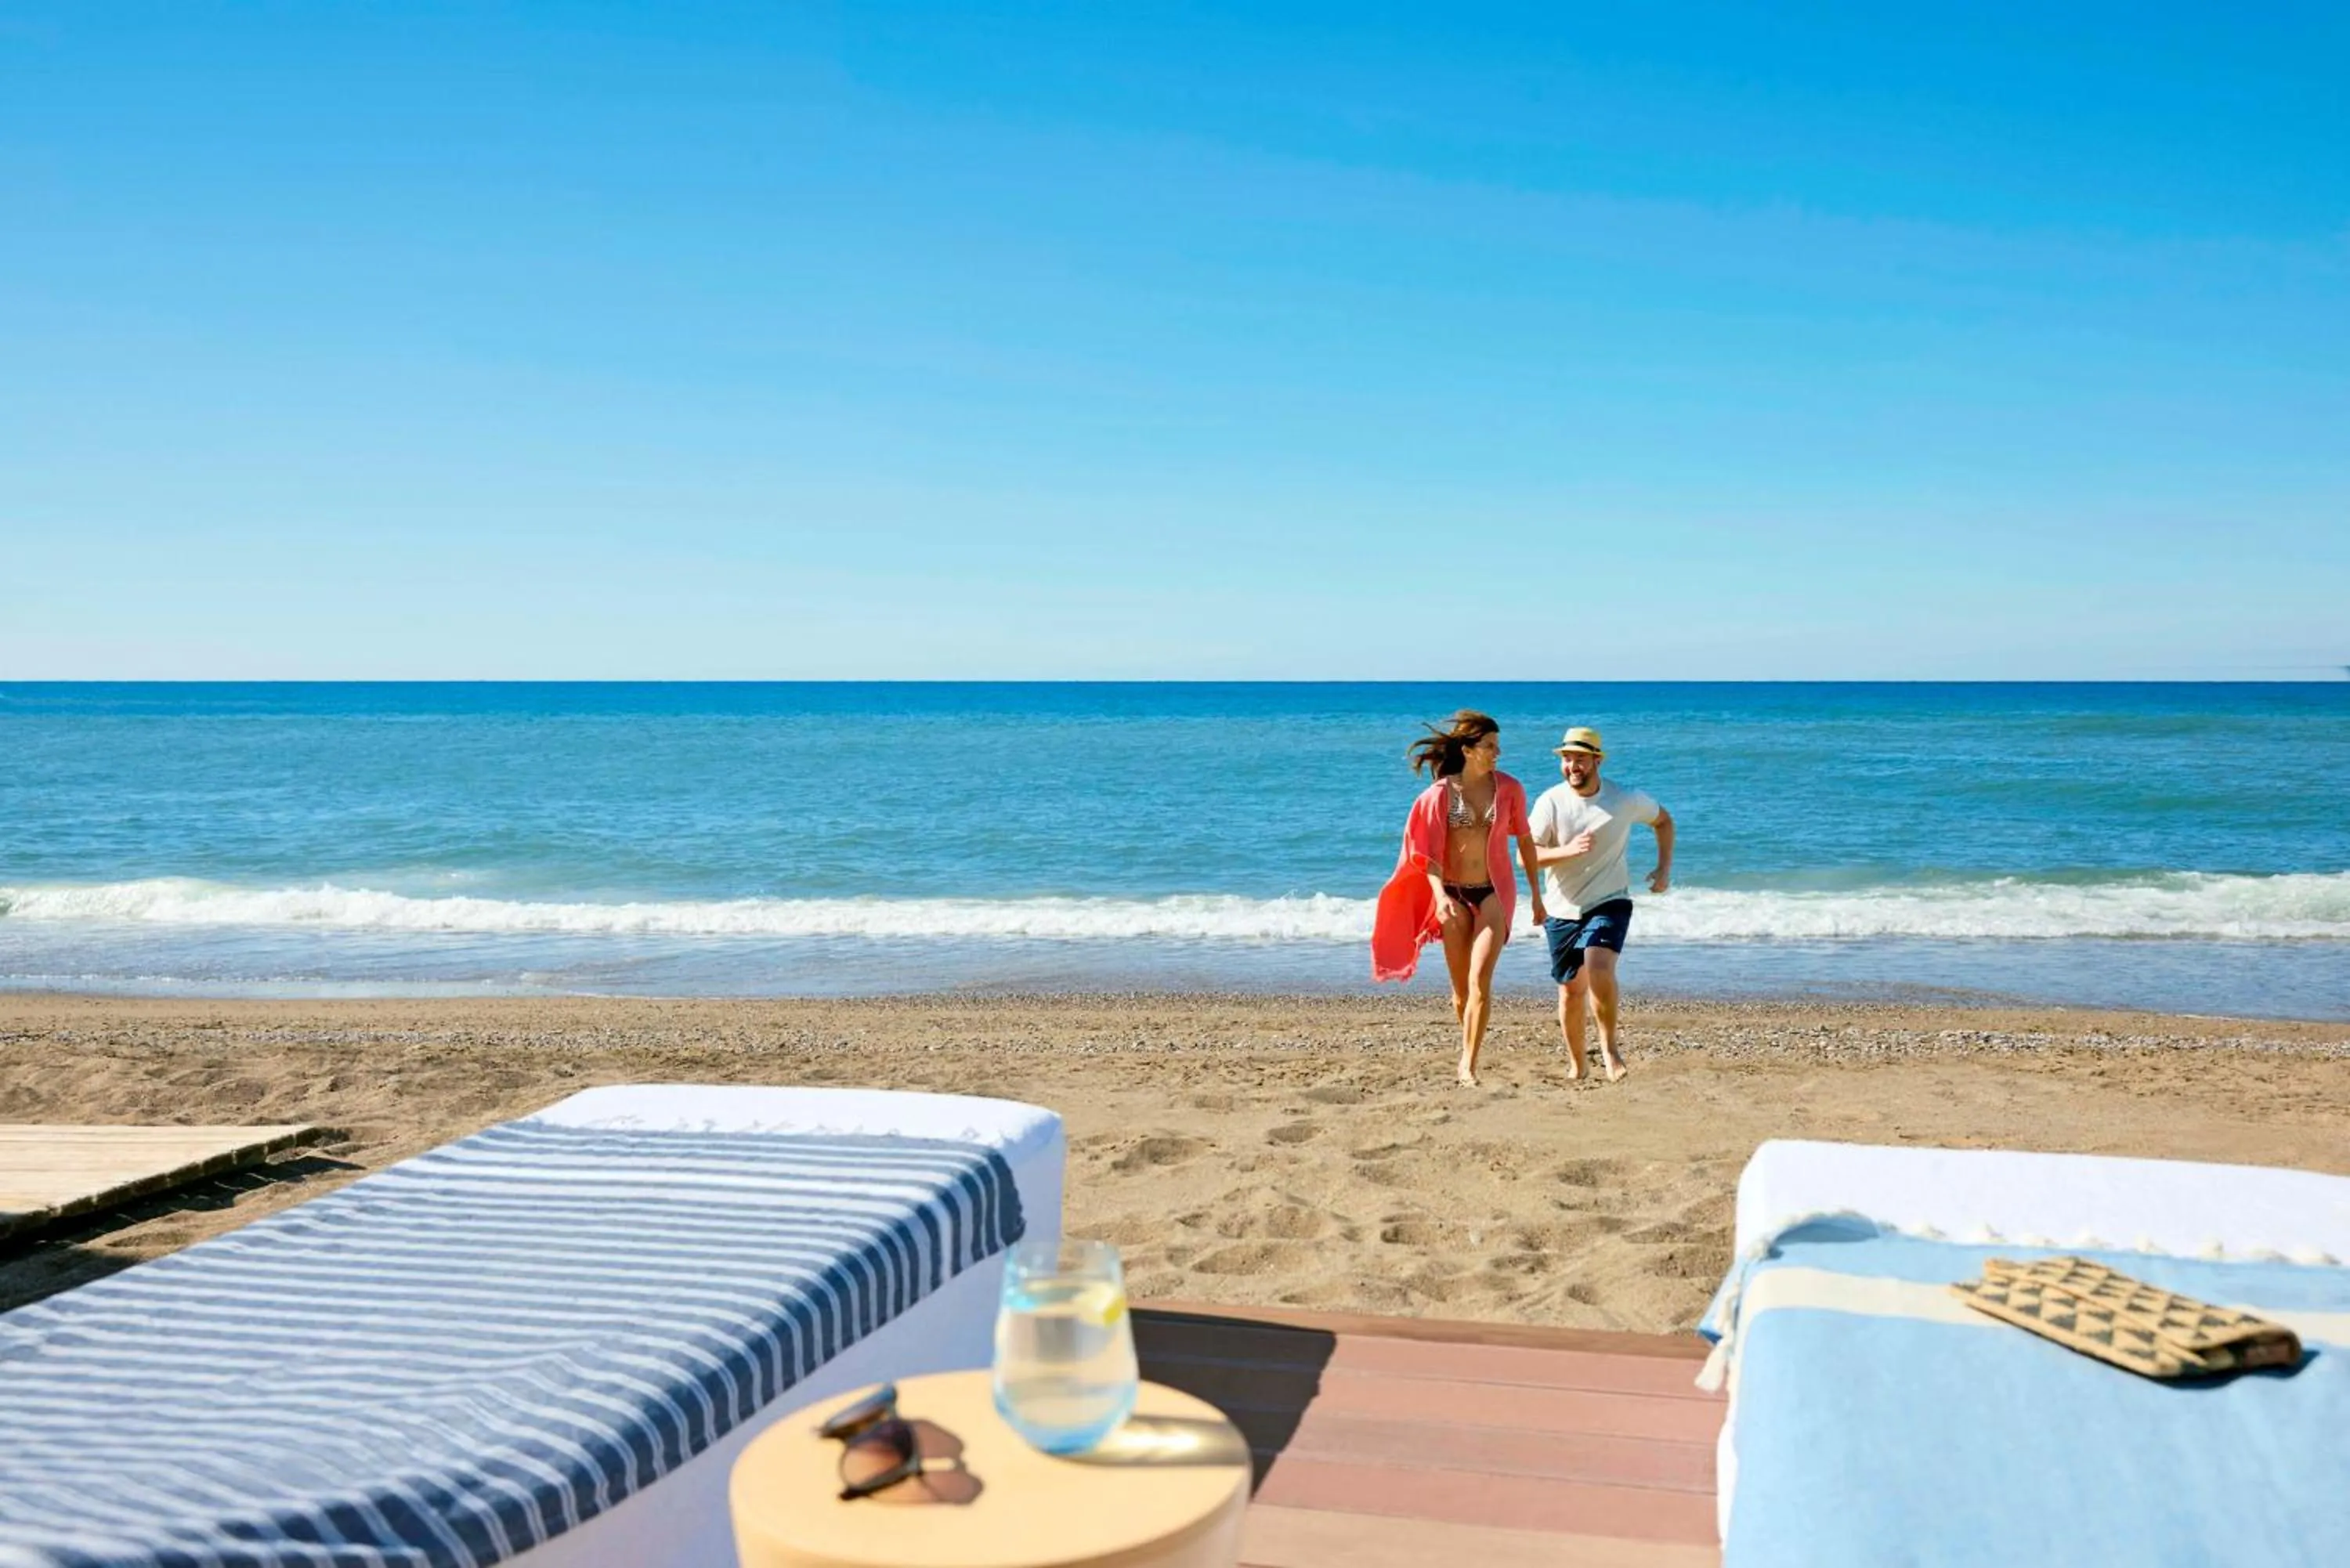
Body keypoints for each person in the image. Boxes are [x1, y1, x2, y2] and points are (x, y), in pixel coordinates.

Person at [1372, 710, 1584, 1086]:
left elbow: (1525, 843)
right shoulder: (1438, 795)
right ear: (1468, 750)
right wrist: (1439, 897)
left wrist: (1537, 895)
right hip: (1451, 894)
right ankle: (1468, 1043)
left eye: (1498, 746)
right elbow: (1428, 856)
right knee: (1460, 993)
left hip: (1493, 893)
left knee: (1480, 982)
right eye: (1490, 746)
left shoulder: (1510, 789)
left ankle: (1467, 1064)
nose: (1497, 752)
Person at [1528, 726, 1674, 1083]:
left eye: (1579, 758)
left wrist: (1663, 869)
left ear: (1596, 760)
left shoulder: (1623, 799)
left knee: (1598, 966)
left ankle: (1609, 1049)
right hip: (1563, 908)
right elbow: (1526, 855)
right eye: (1566, 759)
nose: (1572, 765)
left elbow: (1664, 821)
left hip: (1610, 901)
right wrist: (1568, 851)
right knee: (1569, 992)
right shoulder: (1550, 802)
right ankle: (1579, 1063)